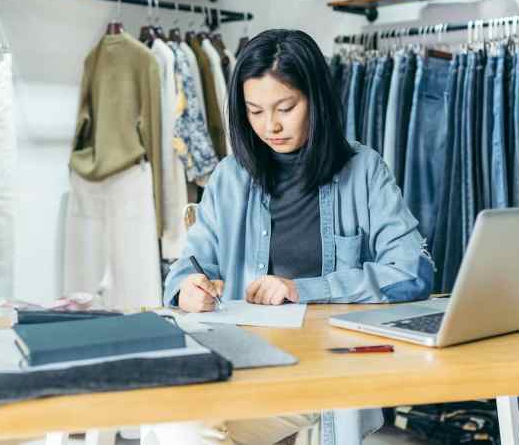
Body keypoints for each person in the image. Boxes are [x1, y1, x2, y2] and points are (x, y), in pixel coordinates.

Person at [147, 30, 434, 445]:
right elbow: (187, 270)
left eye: (286, 107)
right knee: (177, 423)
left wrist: (302, 289)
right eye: (255, 111)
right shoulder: (229, 177)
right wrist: (186, 291)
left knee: (180, 429)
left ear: (315, 99)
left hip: (325, 372)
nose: (271, 126)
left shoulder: (364, 170)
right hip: (242, 365)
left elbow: (412, 272)